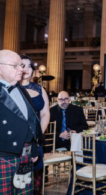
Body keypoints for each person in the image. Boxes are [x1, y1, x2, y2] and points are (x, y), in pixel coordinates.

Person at [0, 50, 41, 194]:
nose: (21, 69)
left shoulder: (22, 90)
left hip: (25, 154)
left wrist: (34, 148)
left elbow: (30, 121)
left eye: (21, 65)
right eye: (15, 65)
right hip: (3, 154)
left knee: (24, 192)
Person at [20, 54, 50, 195]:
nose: (26, 69)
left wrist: (38, 135)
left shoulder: (39, 89)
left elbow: (45, 114)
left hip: (35, 138)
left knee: (34, 178)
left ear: (33, 70)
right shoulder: (9, 87)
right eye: (22, 65)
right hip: (16, 138)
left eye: (29, 66)